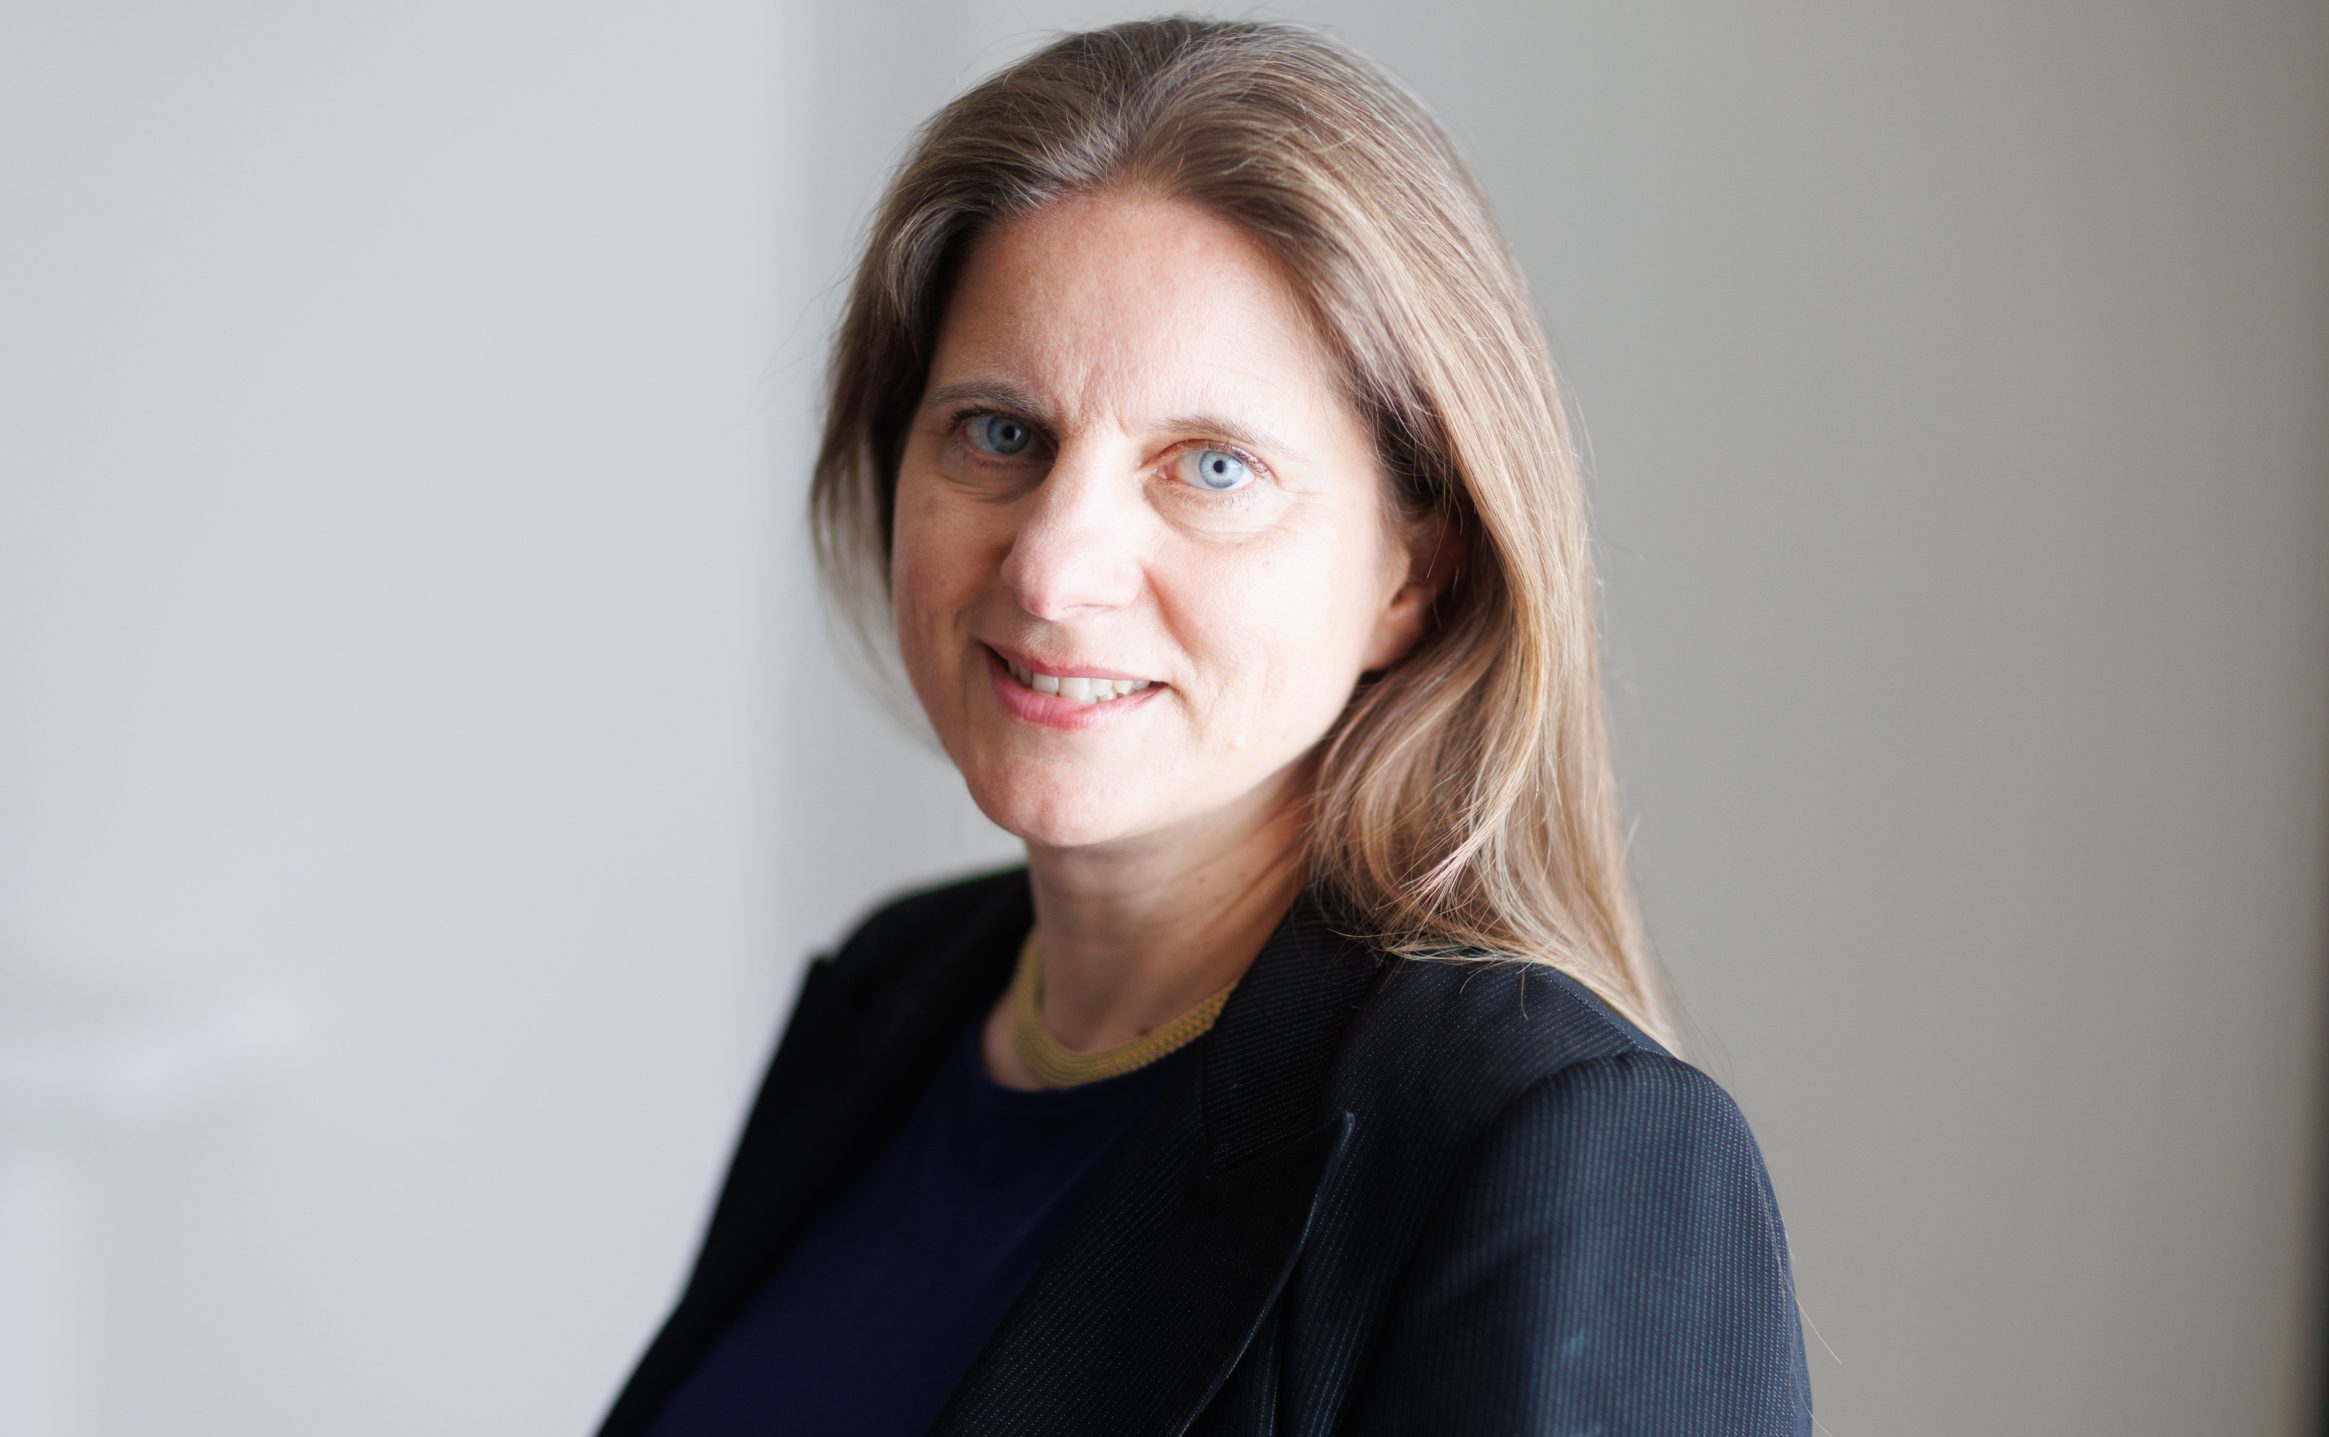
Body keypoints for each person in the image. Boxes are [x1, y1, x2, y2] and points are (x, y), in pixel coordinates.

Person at [596, 15, 1813, 1436]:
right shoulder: (895, 995)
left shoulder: (1558, 1146)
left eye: (1212, 467)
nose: (1053, 570)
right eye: (1000, 433)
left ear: (1413, 572)